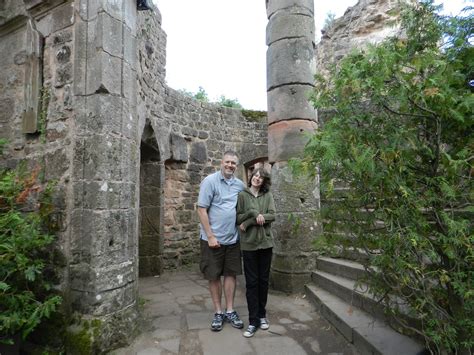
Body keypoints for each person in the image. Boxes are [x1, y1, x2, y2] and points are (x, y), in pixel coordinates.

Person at [197, 150, 245, 332]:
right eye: (227, 162)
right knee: (213, 275)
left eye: (233, 163)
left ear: (236, 166)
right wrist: (210, 236)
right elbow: (201, 209)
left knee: (231, 274)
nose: (230, 165)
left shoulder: (240, 185)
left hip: (232, 239)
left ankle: (230, 310)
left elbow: (243, 208)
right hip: (212, 239)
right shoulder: (210, 182)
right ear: (221, 162)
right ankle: (218, 312)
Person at [236, 167, 276, 338]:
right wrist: (253, 215)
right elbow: (238, 218)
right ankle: (253, 321)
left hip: (266, 244)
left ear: (264, 181)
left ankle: (262, 315)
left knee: (263, 281)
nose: (257, 178)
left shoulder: (268, 196)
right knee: (251, 283)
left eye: (261, 177)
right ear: (251, 176)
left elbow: (272, 215)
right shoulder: (242, 195)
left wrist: (260, 218)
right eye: (255, 175)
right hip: (249, 245)